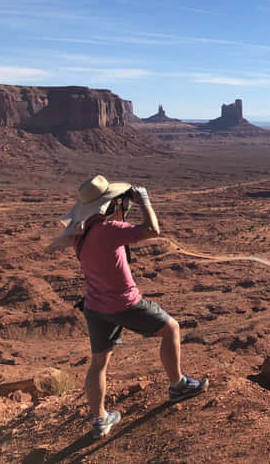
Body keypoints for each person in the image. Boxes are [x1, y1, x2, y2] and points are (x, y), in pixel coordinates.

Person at [50, 175, 208, 438]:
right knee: (170, 328)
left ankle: (100, 419)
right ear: (110, 205)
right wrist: (144, 201)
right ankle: (177, 385)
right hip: (123, 303)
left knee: (99, 362)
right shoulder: (109, 230)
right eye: (121, 202)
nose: (126, 206)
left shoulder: (81, 234)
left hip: (95, 307)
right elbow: (153, 230)